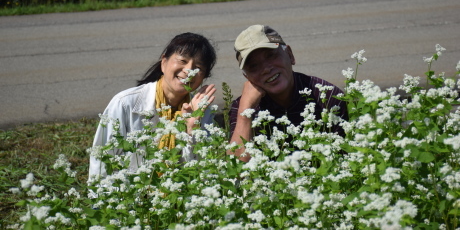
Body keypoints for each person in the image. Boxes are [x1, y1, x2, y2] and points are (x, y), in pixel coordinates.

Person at [89, 32, 217, 177]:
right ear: (164, 62)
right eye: (182, 60)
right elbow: (101, 161)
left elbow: (201, 169)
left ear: (204, 77)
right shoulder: (125, 103)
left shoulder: (203, 111)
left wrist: (191, 128)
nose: (188, 71)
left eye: (198, 68)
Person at [229, 25, 348, 162]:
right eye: (254, 66)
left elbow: (344, 161)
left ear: (290, 55)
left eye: (271, 56)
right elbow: (236, 170)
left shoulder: (328, 97)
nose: (266, 69)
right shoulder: (242, 107)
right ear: (247, 78)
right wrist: (245, 114)